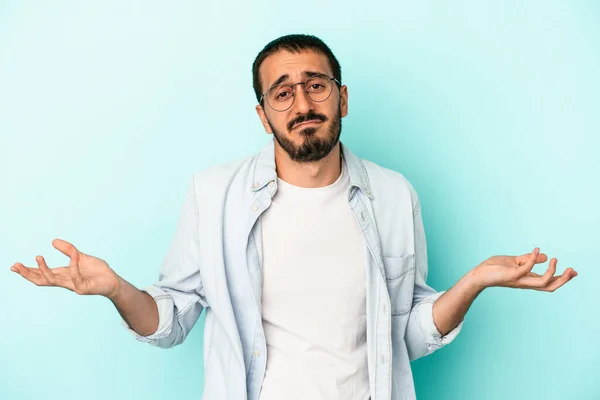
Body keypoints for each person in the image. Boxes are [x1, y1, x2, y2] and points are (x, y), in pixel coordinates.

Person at [10, 34, 578, 400]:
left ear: (342, 97)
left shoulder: (394, 194)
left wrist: (476, 281)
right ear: (263, 115)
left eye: (315, 85)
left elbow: (405, 332)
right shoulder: (214, 195)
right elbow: (172, 319)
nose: (302, 104)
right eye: (282, 93)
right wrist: (114, 288)